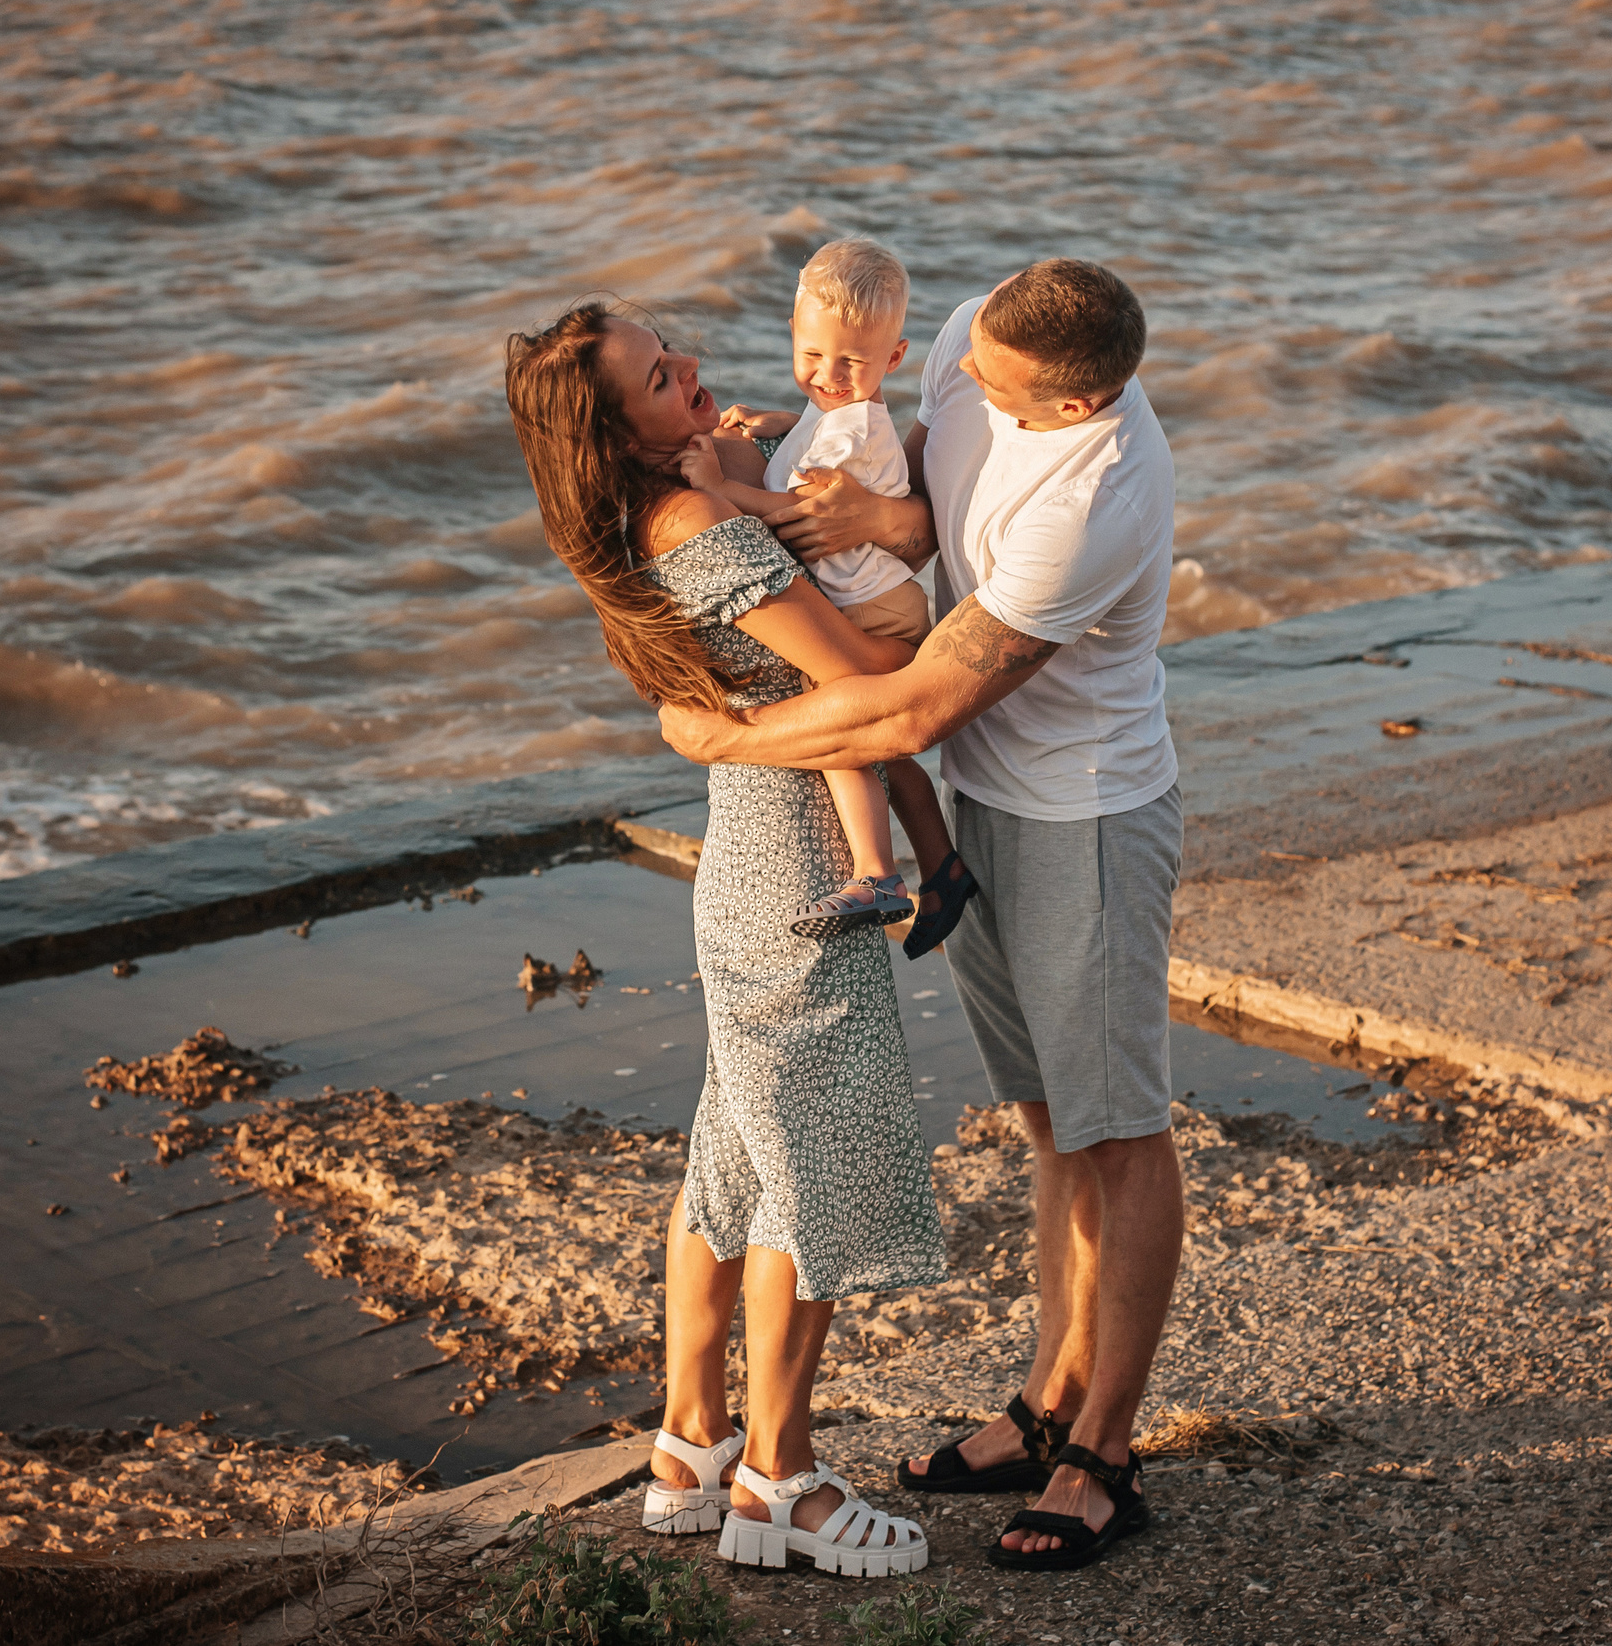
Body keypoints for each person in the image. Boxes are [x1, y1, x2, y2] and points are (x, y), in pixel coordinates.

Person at [658, 258, 1184, 1572]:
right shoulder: (970, 333)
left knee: (1118, 1129)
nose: (968, 389)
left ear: (1074, 403)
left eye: (998, 392)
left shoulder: (1097, 498)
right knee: (1050, 1119)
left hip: (1084, 816)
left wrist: (720, 735)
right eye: (968, 367)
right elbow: (922, 512)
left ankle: (1104, 1451)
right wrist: (881, 518)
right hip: (987, 795)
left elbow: (914, 703)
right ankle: (1047, 1401)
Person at [504, 302, 942, 1578]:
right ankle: (779, 1483)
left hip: (752, 850)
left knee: (735, 1163)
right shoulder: (694, 522)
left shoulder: (654, 516)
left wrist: (767, 473)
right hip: (798, 865)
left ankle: (690, 1448)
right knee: (809, 1161)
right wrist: (926, 577)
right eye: (659, 375)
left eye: (674, 348)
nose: (689, 369)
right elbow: (863, 667)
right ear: (616, 430)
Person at [676, 239, 968, 951]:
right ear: (792, 333)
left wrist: (720, 487)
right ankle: (944, 867)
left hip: (874, 609)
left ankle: (877, 874)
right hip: (884, 599)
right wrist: (779, 422)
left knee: (839, 733)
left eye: (851, 363)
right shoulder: (837, 412)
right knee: (888, 754)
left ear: (894, 358)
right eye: (812, 354)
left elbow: (796, 514)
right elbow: (822, 426)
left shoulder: (852, 429)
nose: (829, 377)